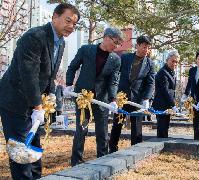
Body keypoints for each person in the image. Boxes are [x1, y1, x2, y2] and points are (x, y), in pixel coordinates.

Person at [0, 3, 79, 179]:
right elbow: (29, 74)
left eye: (74, 24)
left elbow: (50, 74)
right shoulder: (35, 36)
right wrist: (37, 106)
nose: (71, 26)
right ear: (54, 17)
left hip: (34, 102)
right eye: (68, 20)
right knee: (21, 154)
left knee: (34, 150)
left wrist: (50, 94)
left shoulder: (61, 43)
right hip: (15, 101)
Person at [64, 27, 123, 166]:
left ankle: (102, 160)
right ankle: (76, 161)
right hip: (83, 97)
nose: (116, 46)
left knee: (102, 132)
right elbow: (72, 67)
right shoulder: (86, 50)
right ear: (106, 37)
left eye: (119, 44)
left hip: (101, 99)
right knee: (82, 129)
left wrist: (113, 99)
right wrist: (68, 84)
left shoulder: (115, 59)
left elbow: (113, 81)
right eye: (115, 42)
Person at [109, 35, 155, 153]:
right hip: (122, 98)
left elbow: (150, 83)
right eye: (144, 47)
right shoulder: (125, 58)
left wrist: (146, 98)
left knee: (137, 127)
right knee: (117, 124)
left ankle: (135, 151)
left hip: (137, 99)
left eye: (148, 48)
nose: (146, 50)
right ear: (137, 46)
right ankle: (112, 149)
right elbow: (114, 76)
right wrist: (113, 96)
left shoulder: (150, 63)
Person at [152, 51, 180, 138]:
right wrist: (173, 105)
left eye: (176, 62)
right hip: (161, 105)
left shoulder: (171, 72)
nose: (174, 64)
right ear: (167, 60)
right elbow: (165, 90)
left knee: (165, 128)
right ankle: (159, 145)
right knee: (162, 129)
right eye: (173, 61)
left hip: (166, 105)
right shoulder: (163, 72)